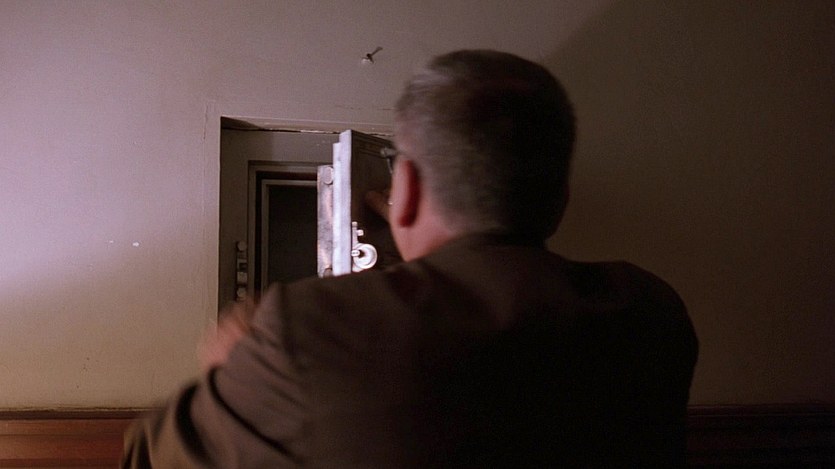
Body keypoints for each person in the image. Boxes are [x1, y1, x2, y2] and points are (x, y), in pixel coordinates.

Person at [122, 50, 698, 468]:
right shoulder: (650, 314)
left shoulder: (305, 330)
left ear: (411, 188)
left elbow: (146, 460)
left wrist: (228, 367)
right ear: (561, 198)